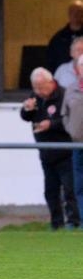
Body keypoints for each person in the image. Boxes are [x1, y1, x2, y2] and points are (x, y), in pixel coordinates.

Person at [20, 67, 79, 230]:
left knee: (70, 190)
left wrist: (50, 124)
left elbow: (69, 120)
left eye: (41, 87)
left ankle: (74, 222)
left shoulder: (64, 94)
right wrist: (27, 109)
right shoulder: (35, 97)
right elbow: (25, 117)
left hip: (65, 151)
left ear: (51, 82)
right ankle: (56, 223)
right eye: (35, 88)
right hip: (46, 153)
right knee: (50, 191)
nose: (38, 91)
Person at [61, 54, 83, 225]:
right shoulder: (71, 89)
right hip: (77, 145)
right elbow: (64, 114)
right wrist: (71, 130)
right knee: (79, 187)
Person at [47, 0, 83, 74]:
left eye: (79, 11)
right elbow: (50, 62)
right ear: (69, 14)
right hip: (63, 78)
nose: (76, 14)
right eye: (73, 11)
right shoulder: (58, 38)